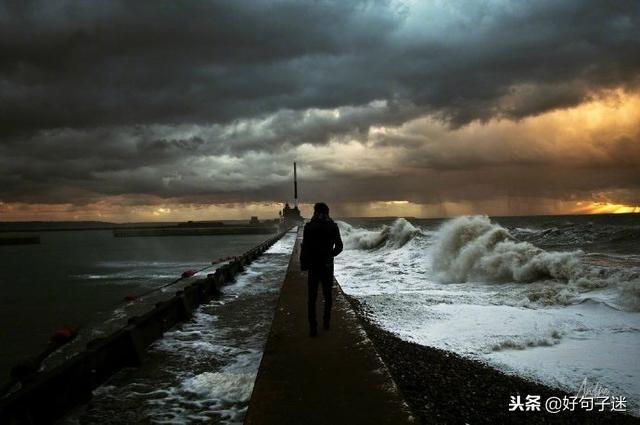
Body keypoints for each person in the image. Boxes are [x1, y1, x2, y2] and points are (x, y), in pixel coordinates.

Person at [299, 202, 343, 337]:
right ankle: (326, 322)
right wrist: (330, 255)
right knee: (327, 296)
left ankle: (313, 328)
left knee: (312, 298)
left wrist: (304, 264)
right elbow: (339, 246)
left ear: (315, 212)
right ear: (327, 212)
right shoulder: (333, 226)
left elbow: (304, 247)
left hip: (313, 266)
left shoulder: (309, 227)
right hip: (327, 266)